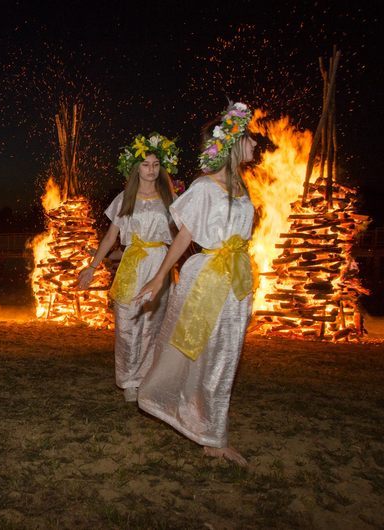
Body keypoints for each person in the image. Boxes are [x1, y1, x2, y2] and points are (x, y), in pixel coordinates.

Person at [134, 102, 257, 466]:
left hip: (236, 279)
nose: (254, 143)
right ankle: (212, 436)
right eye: (249, 137)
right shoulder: (205, 187)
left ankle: (207, 426)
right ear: (232, 143)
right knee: (209, 355)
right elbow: (185, 235)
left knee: (226, 356)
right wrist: (159, 277)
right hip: (209, 279)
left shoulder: (242, 186)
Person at [78, 132, 179, 402]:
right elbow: (111, 236)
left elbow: (183, 235)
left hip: (159, 263)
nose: (151, 170)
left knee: (153, 325)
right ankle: (128, 380)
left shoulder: (168, 198)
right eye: (145, 164)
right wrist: (92, 267)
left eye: (156, 164)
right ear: (136, 168)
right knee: (127, 321)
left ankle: (145, 378)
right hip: (133, 263)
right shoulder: (125, 198)